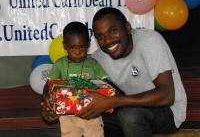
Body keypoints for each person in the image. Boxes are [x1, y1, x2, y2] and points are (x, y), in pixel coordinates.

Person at [41, 7, 187, 137]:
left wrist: (112, 102)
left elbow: (167, 95)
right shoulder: (98, 59)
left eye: (113, 31)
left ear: (127, 27)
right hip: (131, 110)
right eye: (100, 36)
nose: (108, 40)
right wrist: (52, 103)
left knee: (129, 115)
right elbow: (71, 86)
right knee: (91, 116)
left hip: (168, 112)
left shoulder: (149, 41)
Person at [43, 21, 108, 137]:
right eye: (72, 48)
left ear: (88, 44)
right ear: (65, 46)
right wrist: (46, 97)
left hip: (92, 114)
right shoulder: (60, 64)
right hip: (68, 116)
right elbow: (48, 84)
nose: (78, 52)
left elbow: (105, 85)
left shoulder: (94, 64)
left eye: (82, 47)